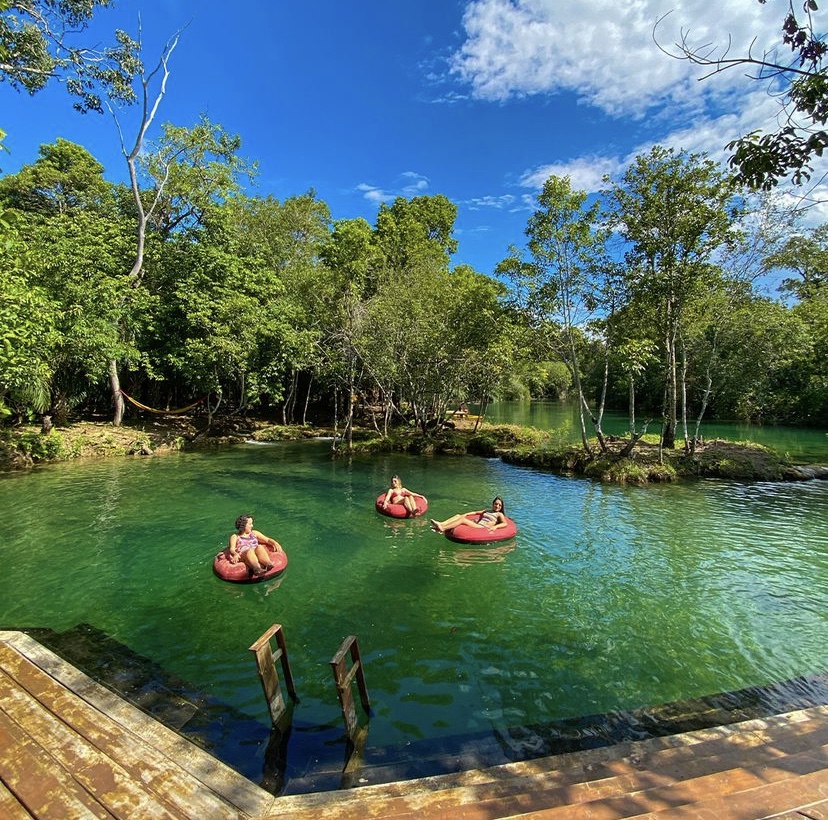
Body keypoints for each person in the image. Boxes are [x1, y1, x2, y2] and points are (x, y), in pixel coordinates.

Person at [430, 496, 508, 533]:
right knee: (458, 515)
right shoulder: (487, 511)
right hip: (478, 524)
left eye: (499, 505)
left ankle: (443, 528)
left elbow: (505, 523)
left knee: (462, 520)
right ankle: (441, 524)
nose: (497, 506)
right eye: (496, 504)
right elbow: (475, 512)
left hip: (483, 528)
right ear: (493, 504)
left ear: (501, 507)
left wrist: (495, 527)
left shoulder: (499, 514)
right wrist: (465, 514)